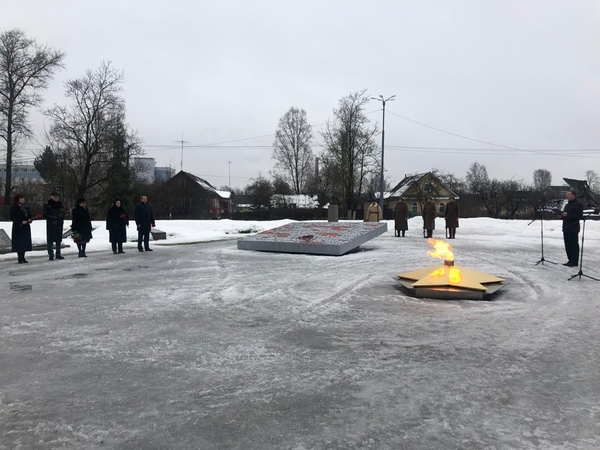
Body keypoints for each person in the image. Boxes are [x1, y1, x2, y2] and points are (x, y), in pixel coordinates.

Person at [560, 189, 584, 267]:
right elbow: (565, 215)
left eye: (569, 194)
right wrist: (561, 216)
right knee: (567, 245)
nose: (567, 195)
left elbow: (579, 215)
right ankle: (570, 260)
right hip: (566, 227)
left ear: (574, 195)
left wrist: (568, 215)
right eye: (567, 194)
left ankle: (574, 261)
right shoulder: (567, 205)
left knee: (573, 245)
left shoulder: (578, 204)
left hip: (573, 228)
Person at [43, 192, 66, 260]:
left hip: (59, 224)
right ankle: (51, 254)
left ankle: (58, 253)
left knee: (58, 240)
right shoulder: (47, 205)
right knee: (50, 240)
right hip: (51, 224)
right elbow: (45, 214)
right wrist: (54, 218)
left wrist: (62, 217)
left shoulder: (60, 205)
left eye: (57, 196)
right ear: (51, 197)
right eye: (54, 196)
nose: (56, 198)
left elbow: (63, 213)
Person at [10, 195, 33, 264]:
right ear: (18, 200)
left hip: (25, 227)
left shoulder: (26, 207)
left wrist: (30, 219)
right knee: (19, 243)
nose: (23, 200)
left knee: (24, 242)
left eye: (23, 198)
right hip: (18, 227)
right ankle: (20, 257)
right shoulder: (14, 208)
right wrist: (20, 221)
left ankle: (23, 257)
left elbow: (29, 215)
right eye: (21, 198)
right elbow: (12, 217)